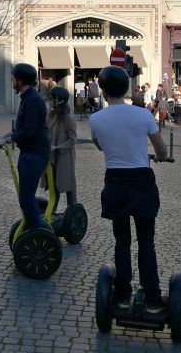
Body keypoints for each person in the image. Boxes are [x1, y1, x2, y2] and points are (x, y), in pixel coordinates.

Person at [89, 65, 168, 313]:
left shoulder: (96, 119)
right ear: (127, 88)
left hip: (115, 182)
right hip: (141, 181)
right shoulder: (143, 115)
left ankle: (122, 295)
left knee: (121, 242)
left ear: (102, 91)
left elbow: (101, 146)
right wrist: (159, 157)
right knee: (146, 241)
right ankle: (153, 298)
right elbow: (162, 151)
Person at [0, 63, 49, 230]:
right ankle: (34, 228)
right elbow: (22, 127)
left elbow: (28, 132)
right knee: (26, 197)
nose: (12, 82)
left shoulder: (32, 100)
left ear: (20, 81)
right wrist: (7, 134)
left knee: (26, 199)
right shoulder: (28, 97)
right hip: (31, 154)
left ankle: (37, 234)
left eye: (13, 79)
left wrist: (8, 141)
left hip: (34, 155)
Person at [42, 86, 78, 211]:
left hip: (65, 158)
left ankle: (72, 212)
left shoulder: (69, 118)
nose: (50, 101)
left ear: (58, 100)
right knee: (53, 187)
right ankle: (52, 213)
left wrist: (57, 147)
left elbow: (72, 140)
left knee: (68, 185)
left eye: (52, 99)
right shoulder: (50, 115)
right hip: (52, 157)